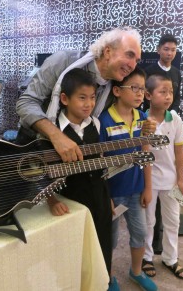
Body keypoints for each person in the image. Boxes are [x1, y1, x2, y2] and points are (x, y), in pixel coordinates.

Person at [16, 27, 156, 161]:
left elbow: (122, 113)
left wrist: (144, 124)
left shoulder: (114, 85)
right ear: (107, 52)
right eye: (129, 55)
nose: (133, 65)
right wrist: (56, 136)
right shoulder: (63, 61)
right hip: (32, 145)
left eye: (137, 60)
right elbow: (26, 102)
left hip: (74, 154)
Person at [45, 68, 116, 290]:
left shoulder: (95, 123)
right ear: (65, 99)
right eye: (82, 98)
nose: (89, 104)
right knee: (74, 253)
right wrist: (52, 201)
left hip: (100, 199)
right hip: (71, 202)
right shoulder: (53, 130)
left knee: (102, 246)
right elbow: (42, 173)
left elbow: (101, 162)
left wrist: (108, 196)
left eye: (93, 97)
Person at [99, 66, 157, 291]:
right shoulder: (104, 121)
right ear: (116, 91)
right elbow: (101, 162)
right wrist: (106, 196)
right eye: (134, 88)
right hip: (113, 194)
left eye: (142, 89)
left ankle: (136, 272)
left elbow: (146, 153)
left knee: (140, 232)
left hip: (136, 190)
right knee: (110, 239)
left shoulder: (143, 119)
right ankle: (109, 276)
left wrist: (148, 187)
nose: (139, 93)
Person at [142, 74, 183, 279]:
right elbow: (143, 155)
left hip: (171, 182)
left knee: (173, 221)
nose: (168, 96)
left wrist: (180, 179)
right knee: (148, 221)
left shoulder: (175, 119)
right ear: (148, 95)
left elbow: (179, 151)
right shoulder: (142, 121)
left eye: (170, 92)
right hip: (149, 181)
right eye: (163, 92)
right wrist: (147, 186)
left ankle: (171, 259)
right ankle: (146, 257)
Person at [144, 34, 182, 113]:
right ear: (158, 50)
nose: (169, 53)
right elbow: (144, 96)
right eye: (166, 49)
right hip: (151, 115)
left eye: (173, 50)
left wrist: (173, 112)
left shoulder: (177, 73)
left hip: (170, 117)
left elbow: (177, 96)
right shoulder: (148, 71)